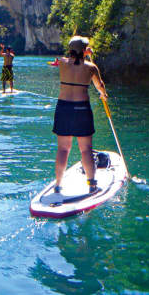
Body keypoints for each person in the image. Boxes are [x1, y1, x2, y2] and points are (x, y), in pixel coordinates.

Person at [48, 35, 107, 194]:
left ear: (69, 50)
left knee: (63, 149)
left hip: (63, 109)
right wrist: (103, 94)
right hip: (82, 109)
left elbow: (69, 60)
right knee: (86, 150)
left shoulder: (61, 62)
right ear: (85, 50)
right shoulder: (91, 67)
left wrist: (82, 54)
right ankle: (92, 185)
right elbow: (99, 86)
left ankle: (58, 185)